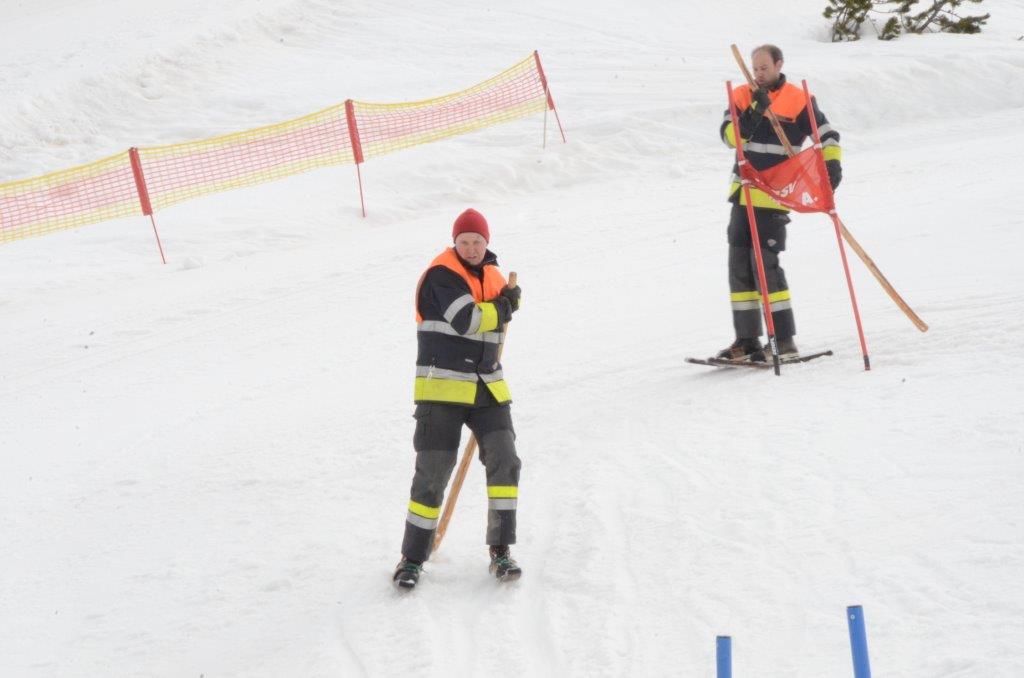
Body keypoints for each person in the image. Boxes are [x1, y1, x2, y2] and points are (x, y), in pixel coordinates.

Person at [393, 208, 523, 590]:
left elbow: (495, 321)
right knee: (432, 473)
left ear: (486, 242)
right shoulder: (441, 275)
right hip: (442, 391)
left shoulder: (495, 277)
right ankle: (412, 559)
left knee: (505, 461)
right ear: (455, 243)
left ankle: (501, 551)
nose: (470, 248)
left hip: (487, 388)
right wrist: (504, 308)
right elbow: (467, 320)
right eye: (464, 242)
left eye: (477, 241)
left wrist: (507, 303)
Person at [716, 44, 842, 361]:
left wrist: (831, 165)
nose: (758, 74)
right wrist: (753, 112)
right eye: (755, 68)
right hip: (742, 194)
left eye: (764, 68)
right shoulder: (741, 95)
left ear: (779, 65)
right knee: (739, 267)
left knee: (765, 266)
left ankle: (782, 342)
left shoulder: (798, 99)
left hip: (773, 195)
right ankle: (747, 340)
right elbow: (730, 137)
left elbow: (828, 136)